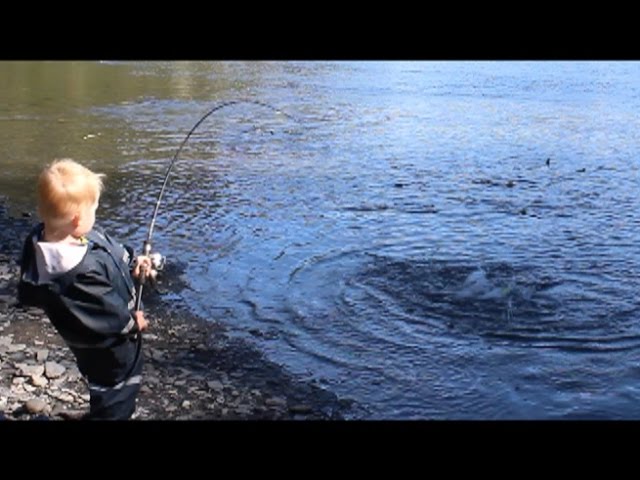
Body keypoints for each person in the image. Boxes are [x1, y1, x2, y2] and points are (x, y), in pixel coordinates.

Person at [17, 158, 153, 420]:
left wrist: (133, 262)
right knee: (117, 388)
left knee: (101, 382)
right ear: (78, 219)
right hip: (109, 348)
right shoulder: (78, 274)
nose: (96, 214)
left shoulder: (52, 236)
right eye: (95, 209)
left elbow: (108, 249)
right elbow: (108, 315)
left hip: (86, 343)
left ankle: (101, 408)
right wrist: (133, 322)